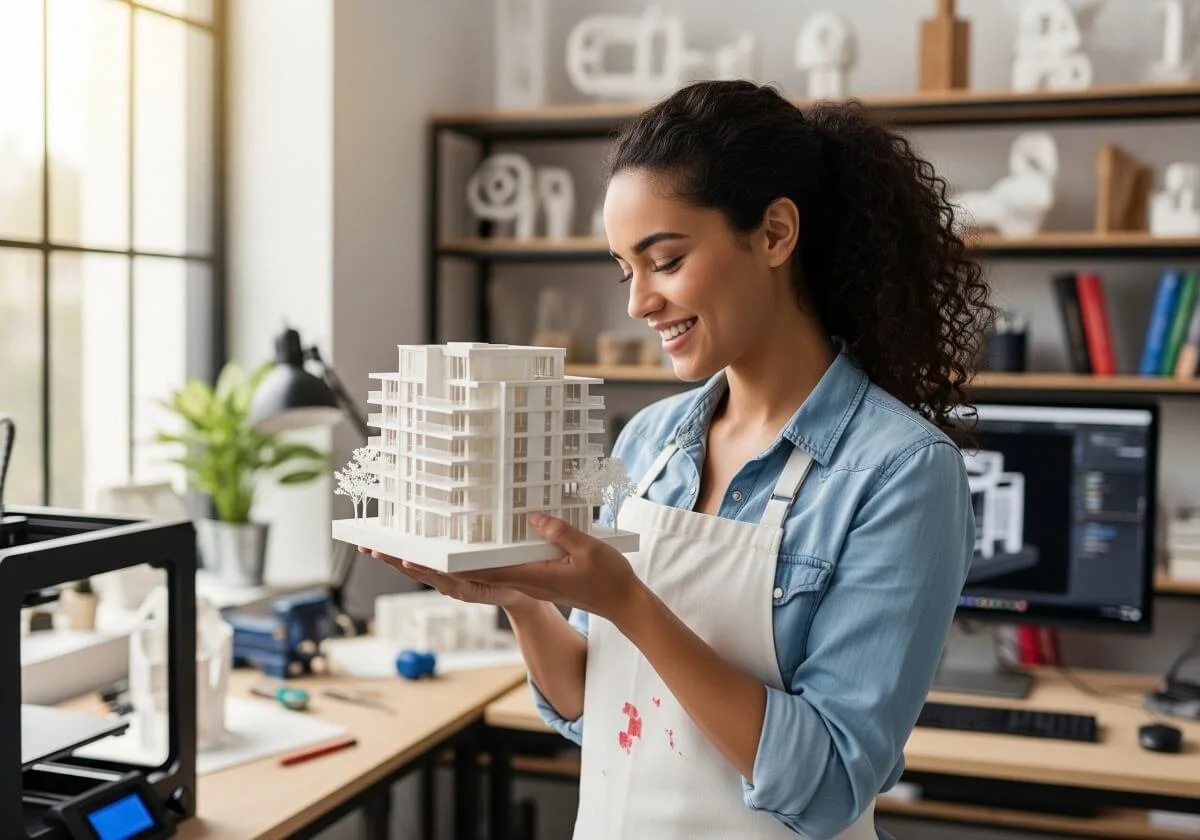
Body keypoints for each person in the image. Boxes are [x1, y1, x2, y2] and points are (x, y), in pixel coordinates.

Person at [372, 80, 995, 839]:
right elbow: (592, 713)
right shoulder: (651, 441)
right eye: (624, 270)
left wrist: (629, 602)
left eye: (663, 260)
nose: (638, 303)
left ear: (773, 234)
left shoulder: (899, 472)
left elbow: (829, 783)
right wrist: (519, 596)